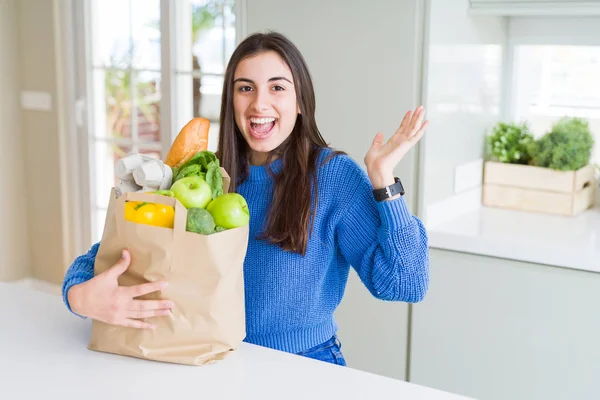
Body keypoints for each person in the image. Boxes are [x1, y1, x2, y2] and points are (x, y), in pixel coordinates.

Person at [62, 31, 430, 367]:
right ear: (231, 101)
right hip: (212, 358)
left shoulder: (333, 176)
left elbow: (404, 283)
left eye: (277, 88)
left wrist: (384, 181)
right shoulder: (205, 176)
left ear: (301, 101)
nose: (259, 104)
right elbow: (112, 251)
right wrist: (78, 296)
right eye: (245, 88)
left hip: (306, 364)